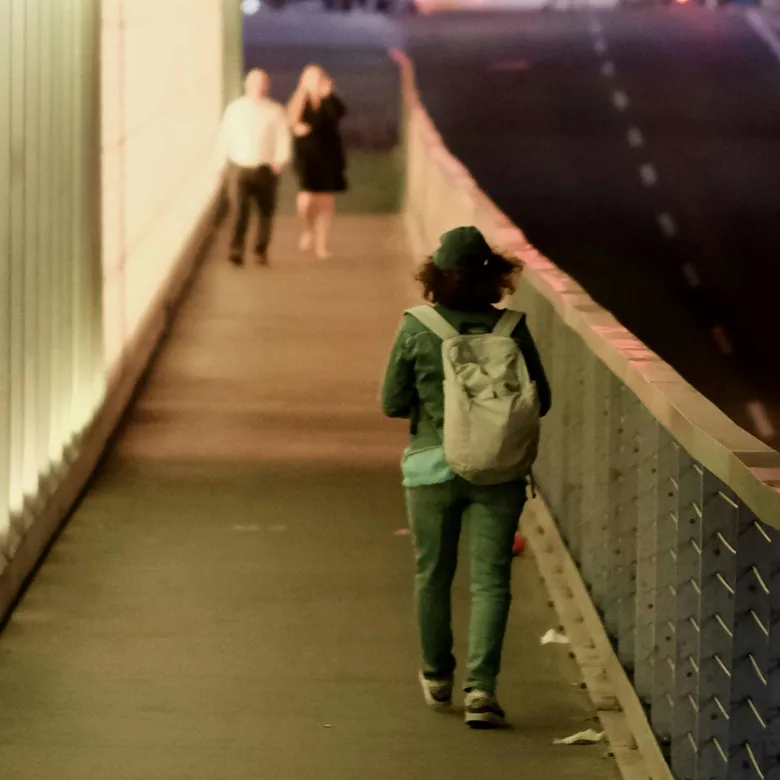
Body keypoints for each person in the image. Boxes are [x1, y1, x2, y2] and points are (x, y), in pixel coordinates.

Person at [380, 226, 551, 729]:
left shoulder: (417, 326)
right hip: (498, 470)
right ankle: (482, 691)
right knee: (491, 582)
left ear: (435, 275)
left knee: (433, 575)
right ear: (494, 276)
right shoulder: (512, 329)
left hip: (431, 467)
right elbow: (543, 399)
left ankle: (437, 676)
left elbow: (391, 402)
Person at [216, 69, 292, 267]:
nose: (259, 87)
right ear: (247, 85)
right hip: (240, 166)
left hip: (265, 168)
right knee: (240, 211)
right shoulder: (235, 109)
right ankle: (236, 249)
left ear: (267, 86)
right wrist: (220, 165)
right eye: (255, 83)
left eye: (263, 83)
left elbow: (283, 136)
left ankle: (261, 249)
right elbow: (225, 137)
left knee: (265, 212)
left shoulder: (275, 111)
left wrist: (281, 159)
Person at [287, 65, 348, 260]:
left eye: (317, 78)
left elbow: (338, 114)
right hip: (305, 156)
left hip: (328, 156)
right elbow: (291, 119)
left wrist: (327, 95)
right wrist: (296, 127)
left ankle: (322, 244)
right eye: (310, 78)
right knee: (306, 199)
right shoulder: (300, 100)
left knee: (325, 201)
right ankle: (307, 229)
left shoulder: (331, 101)